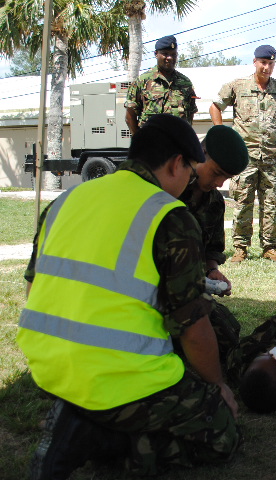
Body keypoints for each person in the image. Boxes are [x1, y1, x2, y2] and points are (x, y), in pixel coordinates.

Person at [18, 114, 240, 478]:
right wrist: (217, 388)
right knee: (222, 433)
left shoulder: (66, 200)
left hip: (48, 369)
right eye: (191, 169)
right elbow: (193, 329)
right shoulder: (171, 217)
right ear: (177, 164)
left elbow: (33, 288)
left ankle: (80, 417)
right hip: (116, 379)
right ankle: (94, 436)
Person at [210, 45, 276, 263]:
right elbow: (215, 107)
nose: (266, 67)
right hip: (245, 158)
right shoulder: (238, 86)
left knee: (270, 205)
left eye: (270, 63)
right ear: (255, 62)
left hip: (271, 158)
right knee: (243, 203)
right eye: (263, 63)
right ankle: (240, 248)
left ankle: (269, 248)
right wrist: (223, 136)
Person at [178, 125, 249, 360]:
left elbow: (212, 248)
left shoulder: (215, 202)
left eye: (225, 178)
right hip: (164, 288)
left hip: (192, 287)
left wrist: (212, 271)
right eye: (217, 173)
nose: (219, 183)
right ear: (202, 154)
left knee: (227, 333)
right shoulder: (172, 189)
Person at [125, 35, 198, 134]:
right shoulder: (143, 81)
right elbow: (130, 116)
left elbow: (190, 114)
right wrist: (139, 140)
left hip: (178, 141)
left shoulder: (185, 82)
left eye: (173, 54)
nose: (170, 58)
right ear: (156, 54)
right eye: (165, 54)